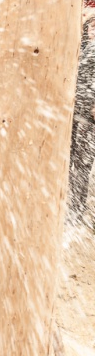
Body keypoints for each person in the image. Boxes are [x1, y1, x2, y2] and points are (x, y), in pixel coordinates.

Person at [68, 14, 95, 224]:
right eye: (91, 27)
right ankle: (73, 205)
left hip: (90, 118)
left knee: (83, 164)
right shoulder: (86, 48)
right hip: (76, 114)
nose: (93, 30)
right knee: (73, 162)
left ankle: (78, 210)